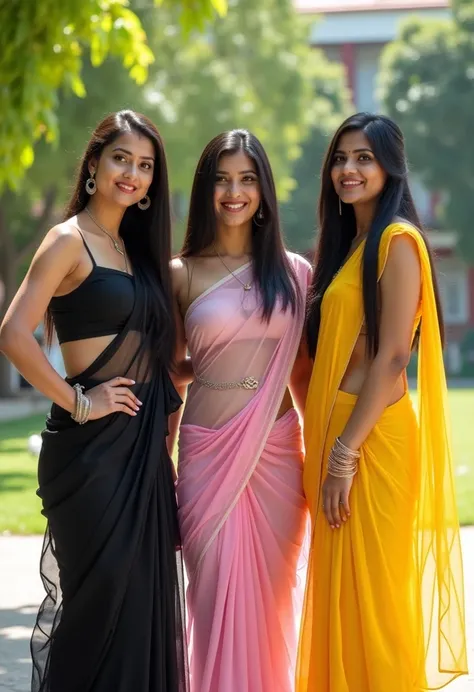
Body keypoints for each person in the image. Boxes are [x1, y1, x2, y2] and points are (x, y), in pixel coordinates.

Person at [0, 110, 188, 692]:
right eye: (121, 159)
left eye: (146, 166)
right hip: (91, 459)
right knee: (99, 607)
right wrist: (80, 401)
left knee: (143, 611)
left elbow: (164, 360)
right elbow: (13, 333)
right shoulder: (68, 240)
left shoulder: (138, 250)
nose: (132, 174)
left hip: (145, 454)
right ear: (94, 165)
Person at [297, 112, 467, 691]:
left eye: (363, 158)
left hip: (369, 443)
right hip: (338, 435)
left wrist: (344, 455)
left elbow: (393, 355)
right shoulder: (351, 247)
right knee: (340, 599)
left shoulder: (397, 242)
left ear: (390, 166)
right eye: (341, 158)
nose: (348, 169)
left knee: (375, 601)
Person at [170, 129, 313, 692]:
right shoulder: (181, 273)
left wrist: (330, 455)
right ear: (206, 189)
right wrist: (161, 465)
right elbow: (168, 373)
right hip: (207, 457)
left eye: (247, 179)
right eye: (222, 179)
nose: (234, 191)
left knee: (274, 606)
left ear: (264, 190)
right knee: (213, 605)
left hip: (279, 456)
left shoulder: (295, 273)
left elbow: (300, 373)